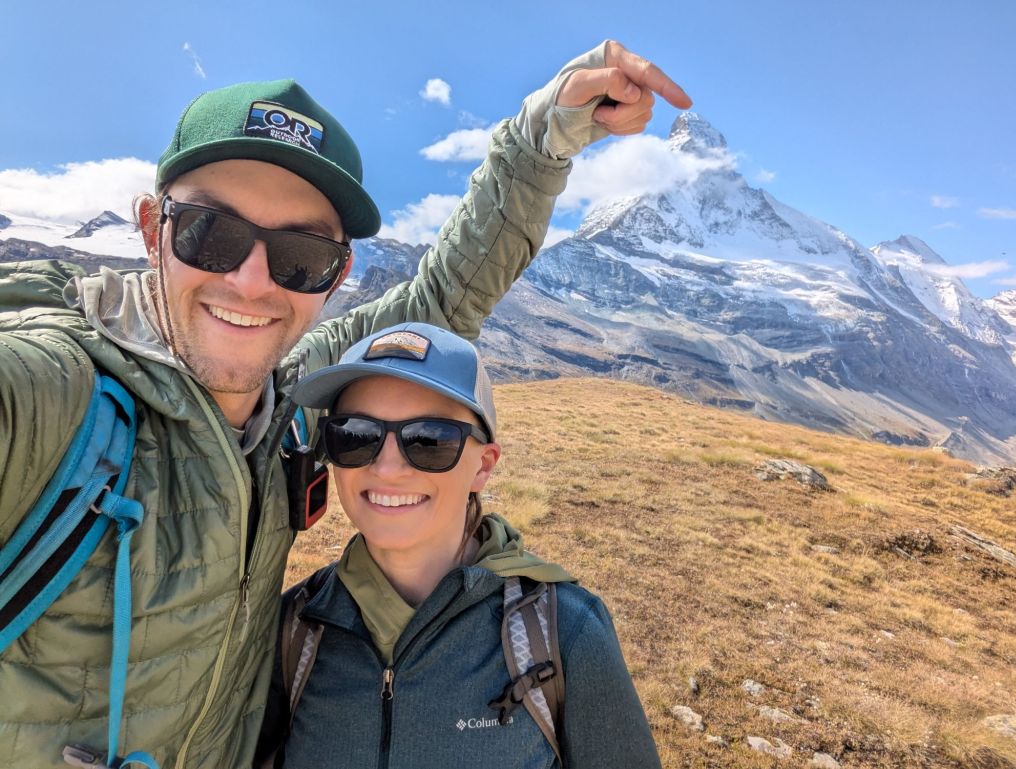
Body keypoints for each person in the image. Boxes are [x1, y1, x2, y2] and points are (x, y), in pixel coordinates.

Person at [0, 42, 689, 768]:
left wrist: (538, 139)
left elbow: (441, 299)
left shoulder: (289, 390)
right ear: (152, 230)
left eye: (300, 254)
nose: (252, 281)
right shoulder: (58, 389)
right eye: (213, 234)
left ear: (335, 276)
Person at [256, 322, 662, 768]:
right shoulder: (294, 630)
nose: (387, 468)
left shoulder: (564, 632)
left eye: (429, 440)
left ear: (483, 466)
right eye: (355, 435)